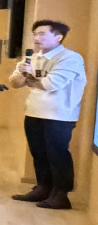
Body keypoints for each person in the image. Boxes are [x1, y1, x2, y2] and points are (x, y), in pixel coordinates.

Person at [9, 19, 88, 209]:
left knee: (57, 154)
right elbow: (14, 82)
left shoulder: (70, 58)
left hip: (59, 115)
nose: (36, 38)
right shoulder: (32, 57)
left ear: (58, 37)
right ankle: (42, 188)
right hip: (33, 112)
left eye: (42, 34)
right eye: (35, 34)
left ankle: (61, 195)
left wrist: (30, 78)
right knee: (39, 152)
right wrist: (23, 75)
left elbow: (51, 84)